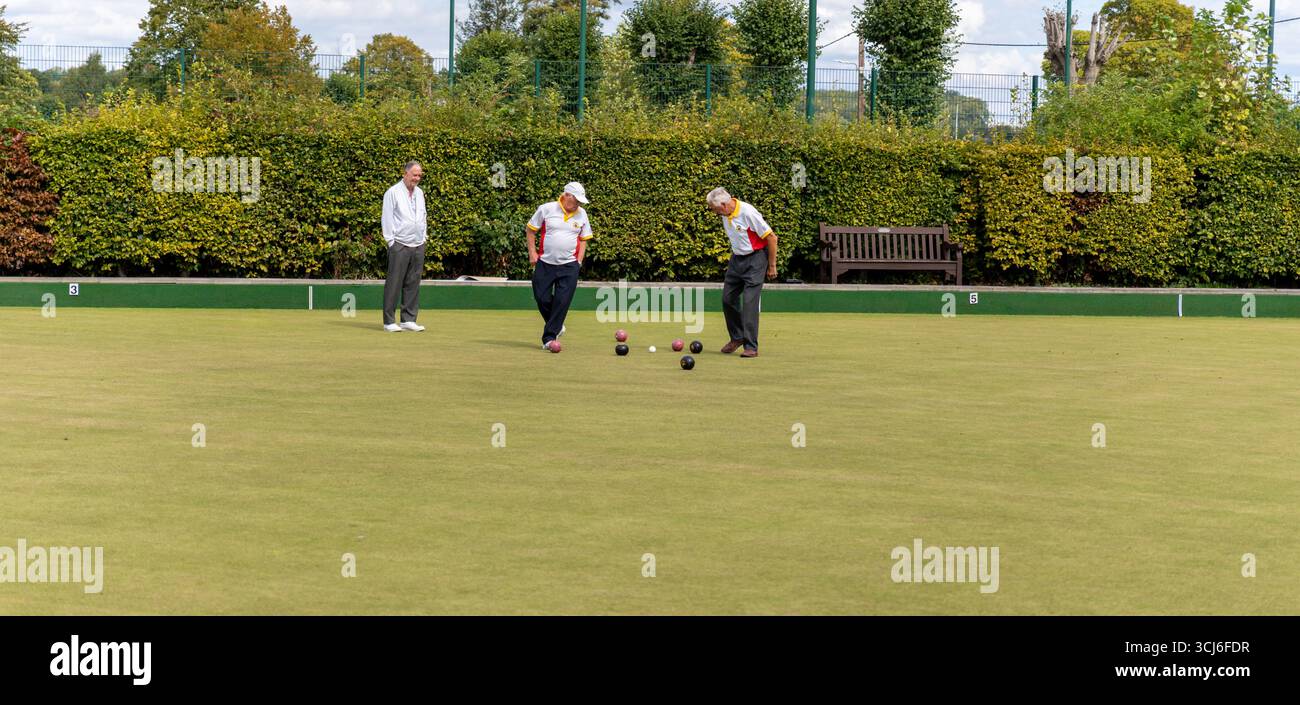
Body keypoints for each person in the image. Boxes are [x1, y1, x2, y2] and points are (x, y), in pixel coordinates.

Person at [706, 188, 777, 358]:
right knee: (727, 299)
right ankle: (737, 337)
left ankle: (751, 346)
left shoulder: (748, 212)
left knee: (749, 303)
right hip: (737, 260)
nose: (713, 212)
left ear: (723, 205)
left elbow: (772, 237)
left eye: (714, 209)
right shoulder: (725, 213)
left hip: (756, 260)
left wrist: (772, 265)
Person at [526, 182, 593, 351]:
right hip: (545, 263)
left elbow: (584, 239)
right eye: (576, 200)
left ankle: (549, 338)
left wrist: (578, 261)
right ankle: (557, 324)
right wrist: (532, 253)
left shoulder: (582, 214)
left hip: (569, 266)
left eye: (580, 201)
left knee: (562, 301)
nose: (578, 204)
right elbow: (530, 230)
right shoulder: (547, 208)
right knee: (542, 297)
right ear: (566, 195)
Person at [380, 161, 428, 332]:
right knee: (394, 282)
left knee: (413, 282)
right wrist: (390, 241)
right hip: (399, 243)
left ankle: (408, 319)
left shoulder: (420, 193)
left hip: (418, 244)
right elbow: (387, 217)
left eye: (419, 175)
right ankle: (389, 322)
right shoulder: (392, 192)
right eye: (414, 174)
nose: (417, 178)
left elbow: (423, 216)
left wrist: (424, 237)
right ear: (405, 174)